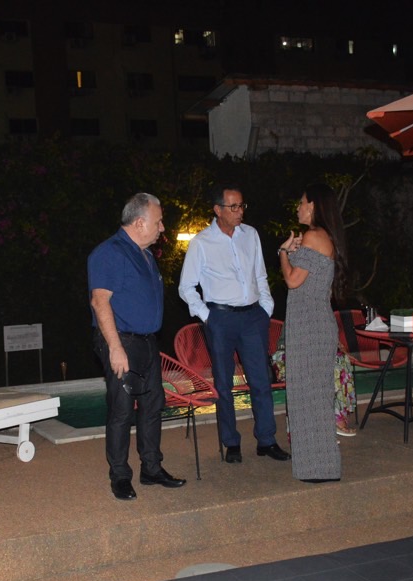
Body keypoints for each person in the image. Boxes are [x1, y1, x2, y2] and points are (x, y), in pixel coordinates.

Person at [178, 185, 289, 464]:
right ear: (218, 210)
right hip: (221, 318)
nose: (240, 211)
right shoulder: (201, 242)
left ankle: (266, 440)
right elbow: (186, 287)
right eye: (234, 207)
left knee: (261, 380)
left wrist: (265, 308)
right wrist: (208, 316)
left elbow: (260, 275)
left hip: (253, 317)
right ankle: (231, 443)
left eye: (242, 206)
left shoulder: (250, 235)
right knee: (224, 384)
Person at [88, 193, 187, 501]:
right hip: (122, 341)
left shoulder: (144, 254)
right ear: (140, 222)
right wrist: (115, 348)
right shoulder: (110, 252)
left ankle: (151, 468)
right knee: (121, 410)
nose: (162, 228)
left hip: (146, 341)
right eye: (158, 222)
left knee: (152, 406)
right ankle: (119, 476)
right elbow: (99, 301)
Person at [278, 182, 349, 482]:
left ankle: (319, 467)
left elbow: (293, 281)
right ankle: (317, 465)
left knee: (309, 398)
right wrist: (296, 251)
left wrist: (283, 252)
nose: (298, 207)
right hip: (313, 323)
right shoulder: (322, 237)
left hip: (310, 326)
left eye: (302, 202)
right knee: (313, 397)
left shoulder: (314, 235)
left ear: (314, 206)